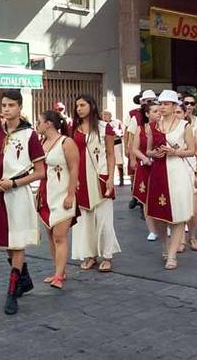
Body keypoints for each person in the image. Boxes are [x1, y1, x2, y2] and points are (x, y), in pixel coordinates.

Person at [0, 90, 46, 315]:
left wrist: (15, 182)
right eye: (4, 105)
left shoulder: (29, 135)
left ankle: (11, 292)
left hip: (17, 194)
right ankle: (24, 277)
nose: (6, 109)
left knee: (17, 243)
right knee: (6, 243)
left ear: (20, 107)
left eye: (11, 105)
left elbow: (40, 172)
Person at [145, 90, 196, 270]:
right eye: (161, 103)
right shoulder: (153, 126)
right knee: (159, 215)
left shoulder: (184, 126)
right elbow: (148, 150)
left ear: (175, 106)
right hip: (159, 171)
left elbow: (192, 150)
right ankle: (165, 246)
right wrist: (154, 153)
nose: (163, 107)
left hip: (177, 172)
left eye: (167, 103)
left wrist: (175, 152)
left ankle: (172, 255)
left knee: (178, 215)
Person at [70, 94, 121, 273]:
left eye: (82, 105)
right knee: (85, 220)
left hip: (100, 176)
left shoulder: (104, 127)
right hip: (80, 178)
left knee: (104, 219)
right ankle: (90, 254)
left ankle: (107, 256)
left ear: (91, 105)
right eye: (77, 106)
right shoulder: (74, 128)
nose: (79, 108)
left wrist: (110, 178)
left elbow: (110, 154)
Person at [36, 110, 78, 290]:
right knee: (51, 235)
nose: (37, 125)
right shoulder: (42, 142)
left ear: (49, 124)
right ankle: (58, 271)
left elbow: (75, 168)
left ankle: (59, 276)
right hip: (46, 194)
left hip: (62, 194)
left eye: (39, 121)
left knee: (60, 236)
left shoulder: (66, 142)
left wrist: (70, 194)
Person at [130, 102, 162, 241]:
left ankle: (165, 225)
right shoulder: (140, 129)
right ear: (147, 114)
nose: (158, 113)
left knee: (161, 196)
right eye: (155, 111)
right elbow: (134, 148)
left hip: (160, 166)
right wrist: (144, 157)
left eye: (159, 111)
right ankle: (152, 230)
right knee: (146, 200)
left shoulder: (165, 128)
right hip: (145, 167)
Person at [182, 93, 197, 251]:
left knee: (193, 209)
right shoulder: (175, 122)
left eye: (192, 103)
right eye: (186, 103)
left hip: (192, 166)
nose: (189, 106)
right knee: (179, 205)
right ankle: (181, 240)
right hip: (176, 166)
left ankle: (192, 237)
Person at [125, 90, 156, 209]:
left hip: (155, 158)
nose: (149, 102)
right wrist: (129, 152)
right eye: (147, 100)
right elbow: (129, 135)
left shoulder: (160, 116)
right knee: (137, 177)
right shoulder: (134, 115)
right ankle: (135, 197)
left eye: (152, 100)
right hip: (140, 153)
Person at [102, 110, 125, 186]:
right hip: (106, 144)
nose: (105, 116)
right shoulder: (101, 124)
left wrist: (116, 134)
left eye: (106, 114)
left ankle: (121, 179)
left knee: (119, 161)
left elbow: (122, 132)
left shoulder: (117, 122)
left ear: (110, 115)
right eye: (104, 114)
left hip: (116, 143)